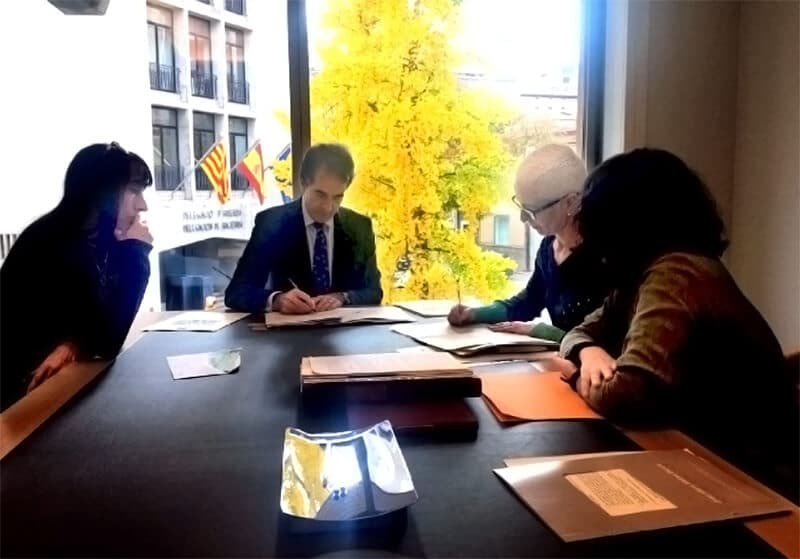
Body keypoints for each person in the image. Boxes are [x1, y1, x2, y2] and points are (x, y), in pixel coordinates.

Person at [560, 148, 798, 495]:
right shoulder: (637, 278)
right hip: (705, 455)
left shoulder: (678, 273)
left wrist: (578, 375)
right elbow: (578, 331)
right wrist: (588, 352)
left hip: (753, 478)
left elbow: (627, 396)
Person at [0, 142, 153, 411]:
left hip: (55, 396)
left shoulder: (97, 240)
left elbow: (98, 328)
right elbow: (107, 339)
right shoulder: (48, 245)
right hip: (19, 406)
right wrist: (136, 251)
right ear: (101, 194)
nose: (142, 205)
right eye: (133, 191)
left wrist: (76, 344)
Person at [448, 144, 608, 342]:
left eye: (532, 210)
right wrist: (474, 314)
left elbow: (610, 342)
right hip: (562, 357)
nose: (523, 218)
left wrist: (545, 332)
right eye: (521, 206)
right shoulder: (548, 248)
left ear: (571, 202)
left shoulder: (605, 257)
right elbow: (529, 302)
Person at [225, 143, 382, 314]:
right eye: (320, 195)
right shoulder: (271, 223)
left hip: (345, 329)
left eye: (338, 197)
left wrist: (343, 297)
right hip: (289, 328)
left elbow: (373, 291)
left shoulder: (359, 227)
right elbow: (236, 292)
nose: (328, 207)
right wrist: (277, 300)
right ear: (303, 183)